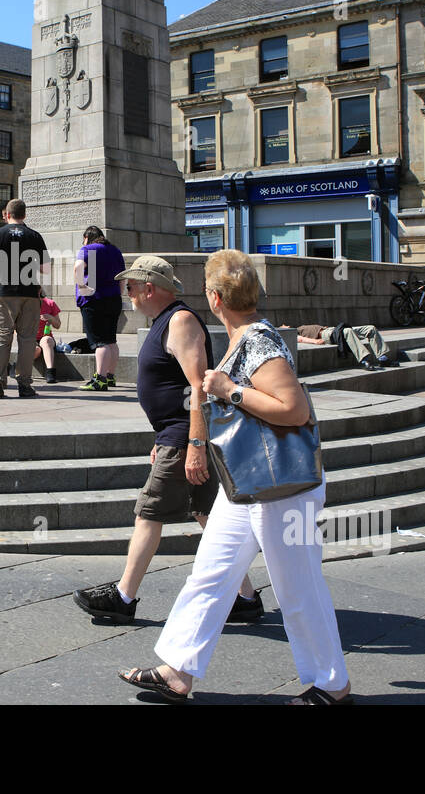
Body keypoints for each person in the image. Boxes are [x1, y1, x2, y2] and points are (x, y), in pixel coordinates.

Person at [118, 249, 352, 705]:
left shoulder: (259, 341)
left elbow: (293, 409)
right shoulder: (244, 335)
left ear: (215, 297)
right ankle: (177, 671)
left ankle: (333, 686)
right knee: (211, 571)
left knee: (298, 586)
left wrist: (229, 389)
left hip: (281, 487)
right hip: (247, 481)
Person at [73, 255, 262, 626]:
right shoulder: (166, 322)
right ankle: (246, 597)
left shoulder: (180, 321)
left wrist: (193, 446)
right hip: (175, 435)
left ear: (149, 287)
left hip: (184, 436)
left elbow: (198, 387)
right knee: (208, 515)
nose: (127, 293)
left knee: (148, 512)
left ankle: (124, 597)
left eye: (130, 286)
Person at [0, 198, 49, 399]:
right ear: (24, 215)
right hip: (29, 294)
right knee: (27, 340)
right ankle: (25, 385)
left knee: (2, 337)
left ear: (7, 214)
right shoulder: (35, 236)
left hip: (4, 293)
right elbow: (45, 269)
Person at [73, 226, 126, 391]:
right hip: (113, 299)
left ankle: (100, 379)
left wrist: (82, 286)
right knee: (111, 340)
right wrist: (119, 293)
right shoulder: (115, 251)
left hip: (93, 300)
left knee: (99, 342)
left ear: (87, 237)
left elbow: (77, 268)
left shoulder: (87, 249)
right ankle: (110, 376)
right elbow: (122, 277)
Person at [286, 322, 393, 371]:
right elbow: (300, 339)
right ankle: (364, 360)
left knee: (370, 328)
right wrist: (315, 341)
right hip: (327, 335)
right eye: (282, 326)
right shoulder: (294, 333)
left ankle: (382, 357)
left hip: (334, 330)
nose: (285, 325)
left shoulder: (299, 326)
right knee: (348, 331)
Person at [35, 295, 62, 384]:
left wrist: (51, 317)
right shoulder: (25, 304)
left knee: (47, 341)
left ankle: (50, 373)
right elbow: (16, 328)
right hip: (30, 338)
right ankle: (18, 366)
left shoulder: (50, 303)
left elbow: (57, 325)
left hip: (45, 337)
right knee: (36, 350)